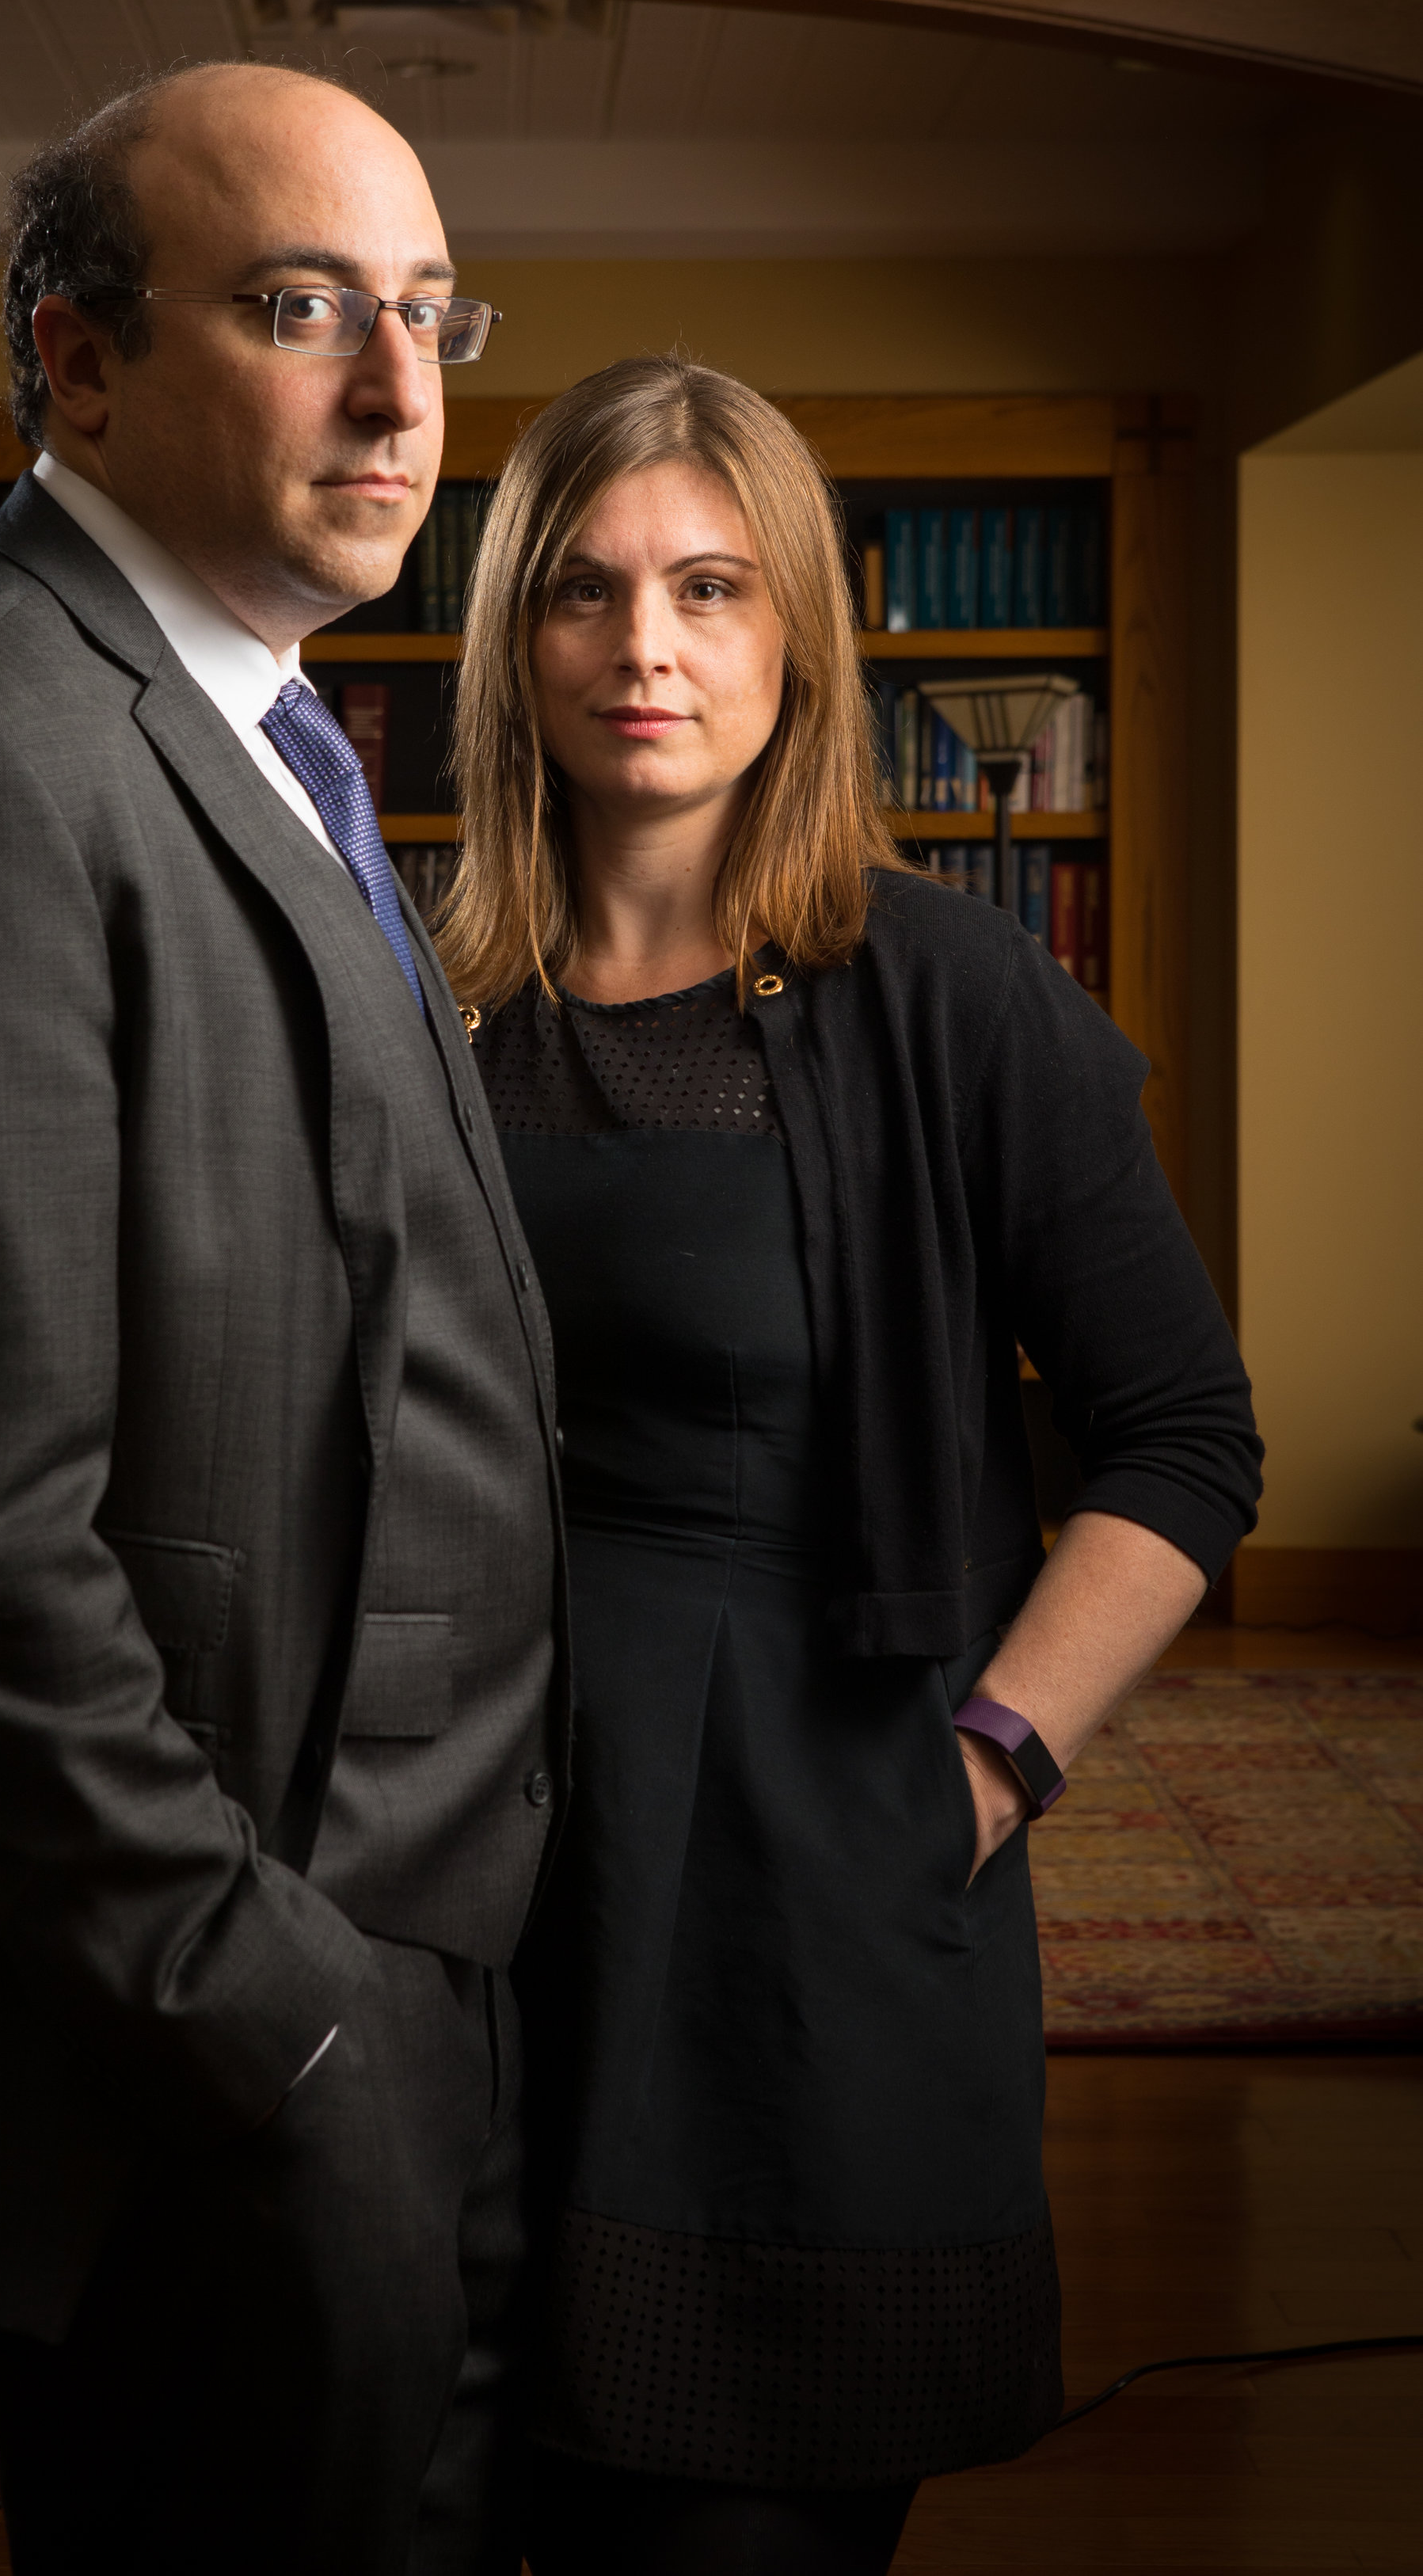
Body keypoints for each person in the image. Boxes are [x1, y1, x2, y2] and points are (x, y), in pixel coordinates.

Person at [0, 61, 568, 2575]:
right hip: (235, 2008)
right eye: (303, 313)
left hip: (392, 1934)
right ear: (72, 360)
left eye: (426, 313)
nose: (403, 395)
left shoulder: (259, 717)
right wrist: (279, 2013)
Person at [437, 358, 1263, 2576]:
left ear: (796, 632)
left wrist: (988, 1759)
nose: (647, 648)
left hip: (816, 1901)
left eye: (710, 588)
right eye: (589, 593)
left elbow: (1183, 1440)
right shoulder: (414, 998)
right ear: (513, 636)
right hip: (471, 1907)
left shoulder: (954, 997)